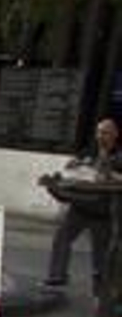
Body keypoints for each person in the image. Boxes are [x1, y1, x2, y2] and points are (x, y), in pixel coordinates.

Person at [43, 117, 119, 291]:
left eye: (105, 133)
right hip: (80, 206)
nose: (101, 136)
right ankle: (57, 276)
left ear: (115, 134)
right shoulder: (89, 151)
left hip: (102, 210)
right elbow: (72, 168)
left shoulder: (119, 155)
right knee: (62, 238)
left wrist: (109, 173)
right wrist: (74, 165)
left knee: (101, 251)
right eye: (99, 132)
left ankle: (100, 284)